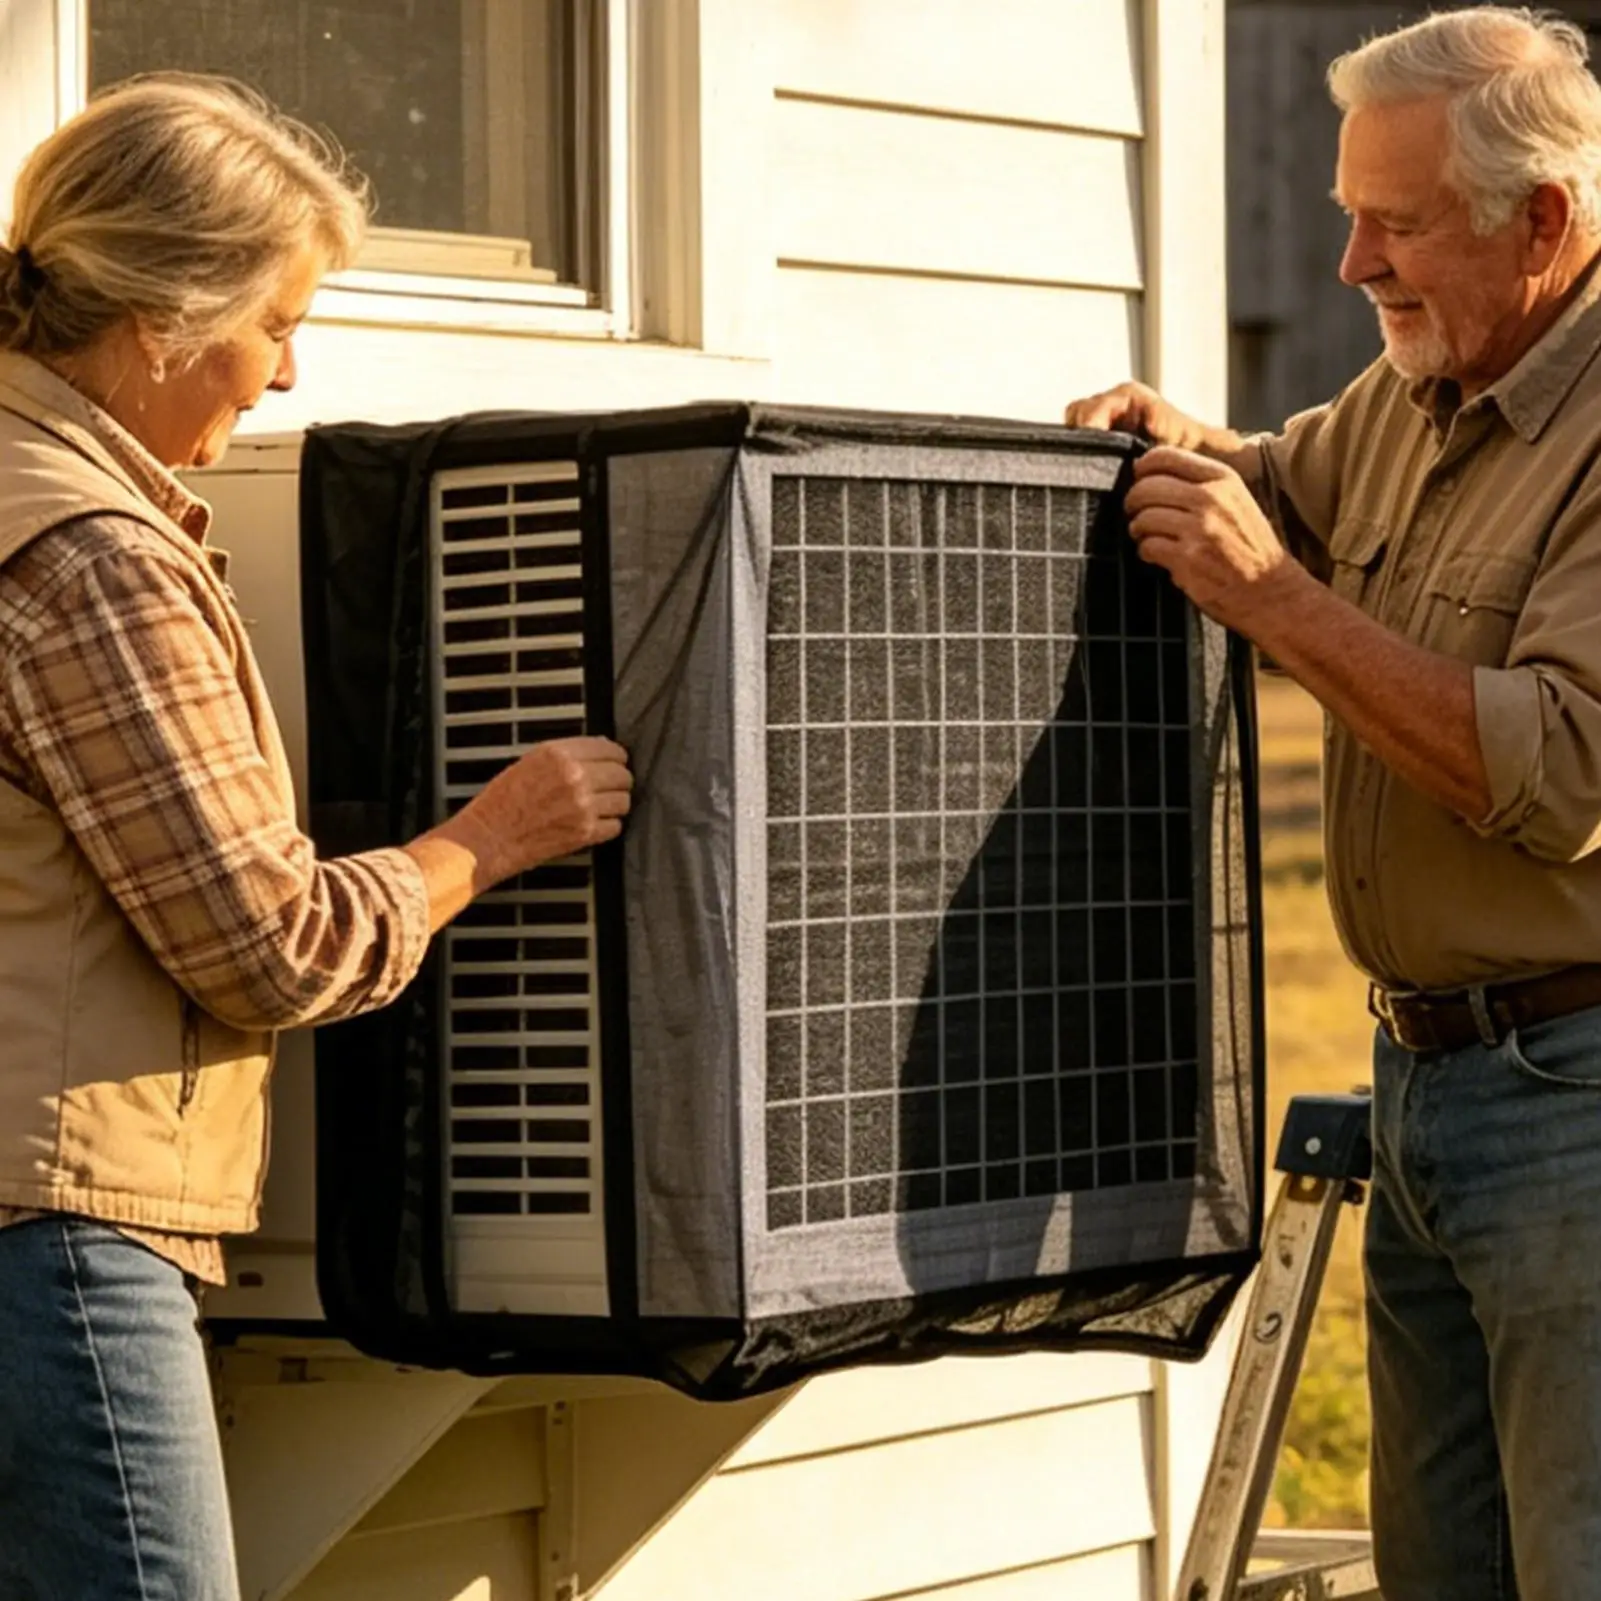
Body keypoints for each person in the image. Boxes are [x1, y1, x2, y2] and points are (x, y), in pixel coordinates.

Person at [0, 75, 632, 1601]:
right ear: (164, 320)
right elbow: (271, 943)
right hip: (55, 1235)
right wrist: (490, 837)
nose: (288, 373)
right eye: (276, 324)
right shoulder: (89, 557)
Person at [1069, 8, 1601, 1598]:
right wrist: (1183, 447)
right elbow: (1284, 488)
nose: (1355, 263)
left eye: (1400, 224)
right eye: (1349, 215)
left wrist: (1273, 604)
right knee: (1442, 1567)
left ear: (1544, 222)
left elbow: (1566, 770)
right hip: (1427, 1080)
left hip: (1575, 1102)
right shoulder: (1422, 385)